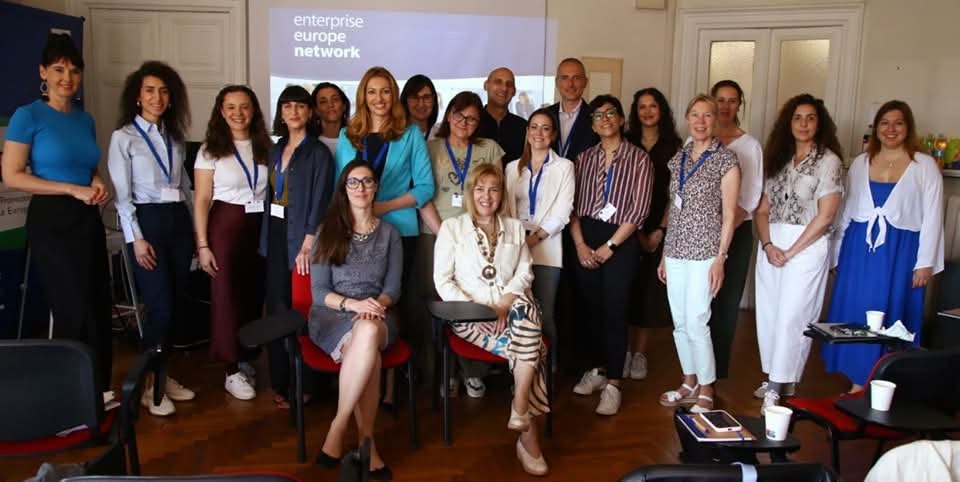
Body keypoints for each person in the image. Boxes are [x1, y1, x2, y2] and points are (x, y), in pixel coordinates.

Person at [2, 33, 112, 394]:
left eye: (74, 71)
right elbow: (12, 175)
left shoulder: (85, 119)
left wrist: (96, 181)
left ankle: (99, 391)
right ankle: (70, 395)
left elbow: (87, 166)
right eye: (59, 69)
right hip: (51, 219)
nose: (68, 78)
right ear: (43, 72)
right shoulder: (28, 115)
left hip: (86, 218)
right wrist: (70, 189)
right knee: (73, 308)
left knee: (97, 303)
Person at [433, 162, 551, 476]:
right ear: (470, 192)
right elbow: (443, 281)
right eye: (480, 189)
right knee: (535, 349)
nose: (487, 196)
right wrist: (479, 311)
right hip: (470, 316)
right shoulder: (451, 228)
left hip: (511, 307)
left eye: (494, 189)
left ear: (501, 194)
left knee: (526, 312)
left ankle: (520, 407)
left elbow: (524, 272)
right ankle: (527, 434)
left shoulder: (514, 227)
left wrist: (503, 304)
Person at [823, 100, 944, 393]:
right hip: (859, 250)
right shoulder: (861, 162)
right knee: (857, 311)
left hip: (901, 251)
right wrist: (836, 254)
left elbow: (933, 215)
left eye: (898, 123)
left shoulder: (924, 165)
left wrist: (925, 262)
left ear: (908, 127)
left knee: (891, 311)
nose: (891, 129)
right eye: (885, 123)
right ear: (876, 128)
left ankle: (888, 382)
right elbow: (846, 211)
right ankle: (857, 382)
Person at [334, 66, 434, 405]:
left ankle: (391, 386)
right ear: (363, 96)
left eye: (386, 91)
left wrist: (384, 206)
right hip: (355, 233)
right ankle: (362, 372)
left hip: (399, 230)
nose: (379, 98)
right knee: (362, 301)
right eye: (372, 91)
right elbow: (339, 186)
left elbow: (425, 187)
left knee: (394, 302)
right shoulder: (349, 135)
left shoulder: (410, 134)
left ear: (394, 96)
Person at [107, 61, 196, 416]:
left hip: (177, 222)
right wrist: (136, 239)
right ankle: (148, 387)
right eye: (149, 91)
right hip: (147, 223)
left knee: (176, 305)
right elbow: (121, 195)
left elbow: (185, 187)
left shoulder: (175, 138)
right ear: (137, 97)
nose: (156, 97)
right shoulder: (124, 137)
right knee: (159, 307)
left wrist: (195, 230)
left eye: (163, 91)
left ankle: (162, 374)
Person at [310, 160, 400, 481]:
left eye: (367, 181)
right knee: (369, 350)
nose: (361, 188)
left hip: (378, 312)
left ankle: (338, 425)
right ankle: (367, 444)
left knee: (368, 329)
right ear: (344, 189)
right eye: (353, 182)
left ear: (376, 188)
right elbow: (319, 293)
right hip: (332, 315)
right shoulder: (327, 231)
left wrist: (375, 306)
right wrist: (354, 305)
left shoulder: (390, 234)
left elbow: (392, 290)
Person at [753, 94, 843, 412]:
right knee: (769, 313)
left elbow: (826, 216)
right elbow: (761, 210)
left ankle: (780, 385)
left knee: (794, 315)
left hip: (806, 245)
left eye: (810, 118)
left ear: (820, 123)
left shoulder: (829, 161)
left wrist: (791, 250)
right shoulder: (777, 158)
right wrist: (768, 245)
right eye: (797, 118)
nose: (804, 124)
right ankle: (773, 376)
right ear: (788, 123)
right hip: (772, 242)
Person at [570, 95, 653, 416]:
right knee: (591, 309)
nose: (604, 119)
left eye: (610, 114)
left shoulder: (639, 159)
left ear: (620, 119)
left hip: (621, 240)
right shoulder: (583, 159)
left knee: (616, 310)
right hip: (586, 237)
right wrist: (580, 245)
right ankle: (598, 370)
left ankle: (615, 383)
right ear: (592, 125)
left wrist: (611, 246)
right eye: (598, 116)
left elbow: (638, 210)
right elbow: (571, 207)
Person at [417, 91, 504, 396]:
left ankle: (473, 371)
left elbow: (498, 194)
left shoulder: (489, 148)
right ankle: (441, 373)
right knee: (437, 301)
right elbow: (422, 194)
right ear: (448, 115)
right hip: (434, 234)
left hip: (477, 240)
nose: (464, 122)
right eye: (458, 115)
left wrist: (474, 237)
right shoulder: (430, 147)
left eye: (472, 118)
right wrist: (446, 234)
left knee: (473, 299)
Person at [658, 94, 740, 413]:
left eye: (707, 115)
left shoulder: (726, 159)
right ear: (687, 118)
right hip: (676, 249)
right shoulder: (678, 158)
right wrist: (664, 255)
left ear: (715, 120)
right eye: (695, 114)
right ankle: (689, 380)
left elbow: (730, 215)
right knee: (679, 321)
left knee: (696, 320)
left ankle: (707, 386)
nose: (701, 121)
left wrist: (721, 258)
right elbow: (674, 208)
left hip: (706, 250)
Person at [259, 85, 334, 409]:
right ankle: (281, 381)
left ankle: (307, 383)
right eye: (287, 106)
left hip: (303, 238)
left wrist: (308, 244)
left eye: (300, 106)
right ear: (281, 112)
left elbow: (321, 201)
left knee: (303, 309)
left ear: (310, 112)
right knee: (276, 308)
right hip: (276, 233)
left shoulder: (318, 153)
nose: (293, 112)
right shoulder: (275, 148)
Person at [193, 85, 270, 400]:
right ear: (221, 112)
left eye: (245, 106)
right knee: (227, 296)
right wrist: (202, 245)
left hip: (259, 225)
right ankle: (230, 369)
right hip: (225, 227)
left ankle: (246, 356)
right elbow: (201, 199)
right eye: (231, 107)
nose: (239, 113)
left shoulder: (265, 146)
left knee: (253, 294)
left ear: (254, 111)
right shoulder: (210, 149)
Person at [504, 107, 575, 373]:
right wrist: (516, 241)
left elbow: (563, 211)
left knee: (544, 311)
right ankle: (521, 368)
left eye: (546, 128)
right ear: (527, 132)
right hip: (514, 245)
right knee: (518, 310)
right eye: (534, 127)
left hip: (546, 245)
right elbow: (504, 208)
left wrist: (534, 239)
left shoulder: (564, 167)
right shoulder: (512, 168)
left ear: (553, 134)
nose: (539, 133)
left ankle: (547, 370)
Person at [622, 87, 682, 381]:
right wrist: (633, 230)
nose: (647, 112)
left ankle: (640, 354)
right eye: (642, 106)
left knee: (649, 292)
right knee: (626, 290)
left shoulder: (674, 145)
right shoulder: (626, 141)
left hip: (659, 224)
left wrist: (660, 229)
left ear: (662, 110)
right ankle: (623, 351)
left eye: (653, 106)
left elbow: (677, 193)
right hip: (626, 225)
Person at [707, 80, 763, 380]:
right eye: (720, 100)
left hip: (736, 231)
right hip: (700, 233)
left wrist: (727, 226)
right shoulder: (697, 139)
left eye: (732, 100)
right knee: (700, 301)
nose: (725, 106)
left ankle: (716, 371)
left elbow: (751, 196)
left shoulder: (749, 146)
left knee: (726, 301)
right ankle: (696, 368)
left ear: (739, 104)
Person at [547, 58, 599, 162]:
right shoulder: (545, 115)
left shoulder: (596, 117)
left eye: (576, 78)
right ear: (557, 82)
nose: (570, 84)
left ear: (585, 82)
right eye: (565, 78)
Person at [477, 67, 527, 166]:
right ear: (486, 85)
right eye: (498, 82)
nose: (504, 88)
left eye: (509, 84)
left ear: (514, 91)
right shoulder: (472, 123)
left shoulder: (523, 127)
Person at [312, 82, 350, 155]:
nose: (330, 105)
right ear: (316, 110)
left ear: (344, 106)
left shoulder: (357, 141)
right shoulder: (309, 143)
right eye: (323, 102)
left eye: (335, 99)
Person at [399, 74, 439, 140]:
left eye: (426, 97)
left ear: (433, 100)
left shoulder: (442, 137)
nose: (421, 104)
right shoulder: (394, 135)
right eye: (415, 97)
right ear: (406, 101)